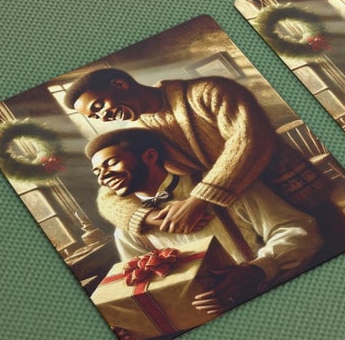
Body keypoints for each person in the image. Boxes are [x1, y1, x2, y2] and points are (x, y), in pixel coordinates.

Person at [86, 127, 321, 322]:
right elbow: (143, 286)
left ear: (149, 156)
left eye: (112, 163)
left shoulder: (221, 186)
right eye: (97, 171)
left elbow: (298, 230)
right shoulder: (128, 229)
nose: (102, 176)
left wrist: (259, 269)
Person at [66, 67, 281, 236]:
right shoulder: (139, 133)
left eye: (99, 106)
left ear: (120, 84)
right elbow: (108, 194)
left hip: (284, 182)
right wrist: (146, 217)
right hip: (239, 207)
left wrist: (198, 201)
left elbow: (248, 141)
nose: (103, 117)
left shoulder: (208, 92)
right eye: (95, 116)